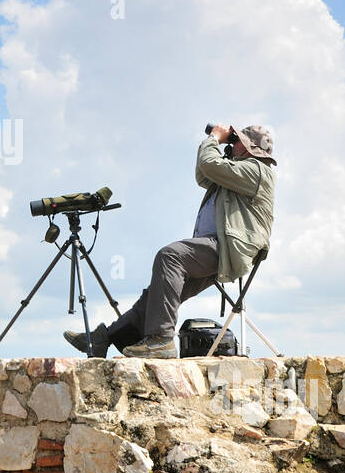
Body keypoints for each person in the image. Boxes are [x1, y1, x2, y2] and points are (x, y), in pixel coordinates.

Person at [64, 124, 277, 359]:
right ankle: (105, 338)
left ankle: (161, 340)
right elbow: (204, 174)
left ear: (250, 148)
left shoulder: (257, 170)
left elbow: (209, 165)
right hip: (218, 246)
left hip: (230, 248)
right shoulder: (238, 170)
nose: (233, 142)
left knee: (170, 256)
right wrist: (218, 145)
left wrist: (215, 138)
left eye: (238, 141)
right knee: (157, 291)